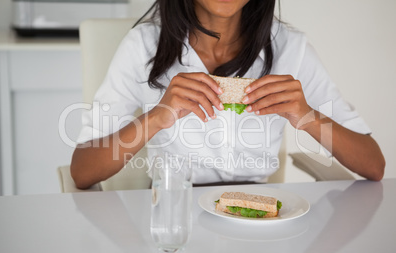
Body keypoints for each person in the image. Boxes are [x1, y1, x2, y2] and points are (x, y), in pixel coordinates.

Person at [71, 0, 385, 189]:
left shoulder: (292, 48)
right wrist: (156, 117)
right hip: (174, 209)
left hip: (259, 221)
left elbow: (374, 166)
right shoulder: (142, 46)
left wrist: (307, 117)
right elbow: (83, 171)